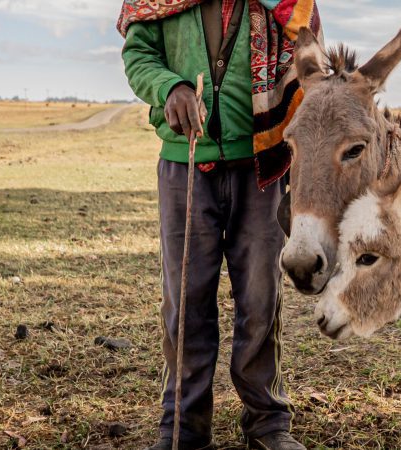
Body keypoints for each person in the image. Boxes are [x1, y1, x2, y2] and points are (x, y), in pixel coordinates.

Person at [119, 1, 321, 448]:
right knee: (185, 299)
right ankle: (184, 427)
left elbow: (309, 54)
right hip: (185, 165)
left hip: (263, 165)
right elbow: (138, 56)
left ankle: (268, 423)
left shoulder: (285, 4)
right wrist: (169, 87)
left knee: (260, 296)